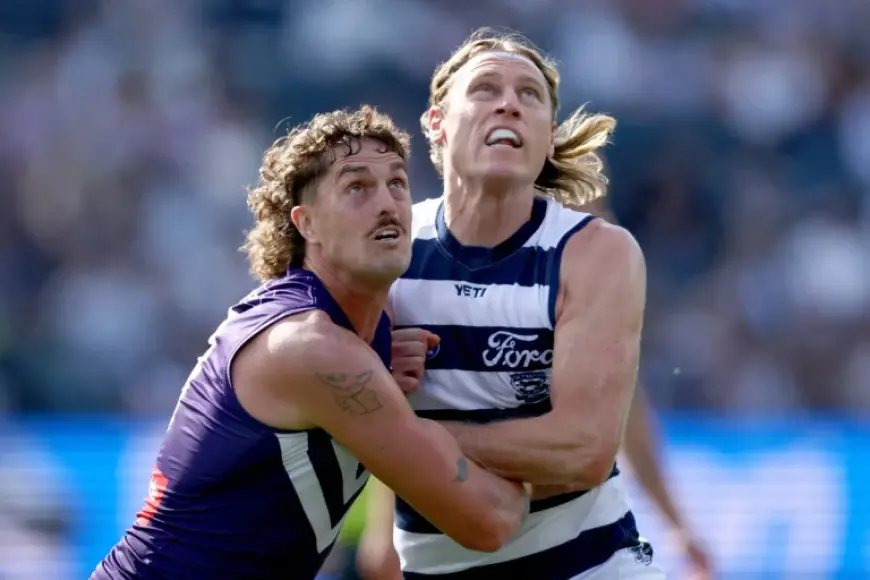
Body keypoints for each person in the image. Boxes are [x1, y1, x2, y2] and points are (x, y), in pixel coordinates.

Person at [90, 106, 529, 580]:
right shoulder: (311, 348)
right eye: (357, 187)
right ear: (307, 224)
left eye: (397, 183)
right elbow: (487, 521)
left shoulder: (371, 326)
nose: (387, 203)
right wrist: (548, 443)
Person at [357, 28, 665, 580]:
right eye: (485, 89)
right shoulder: (388, 248)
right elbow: (334, 405)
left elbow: (583, 452)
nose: (509, 103)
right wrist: (375, 380)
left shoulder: (595, 252)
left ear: (549, 139)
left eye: (529, 95)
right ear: (437, 124)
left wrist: (408, 435)